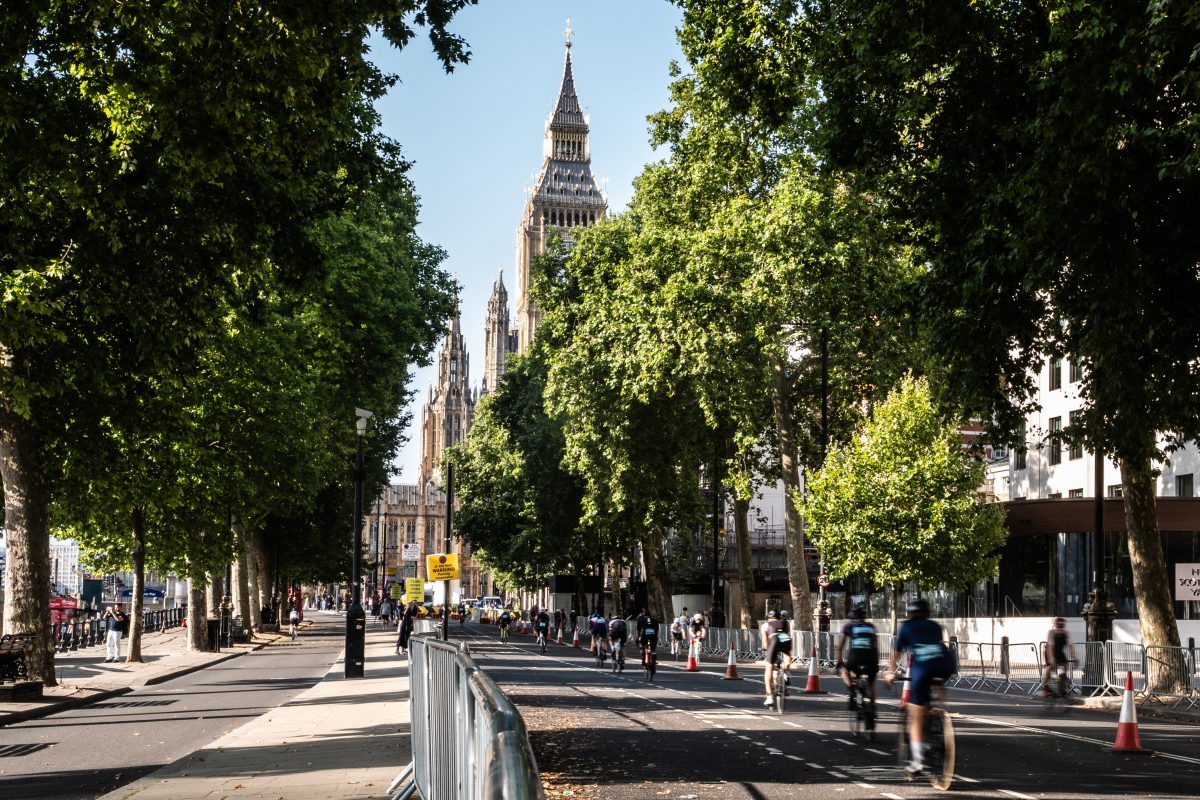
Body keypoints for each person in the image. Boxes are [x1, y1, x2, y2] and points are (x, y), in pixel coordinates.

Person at [885, 598, 953, 776]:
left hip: (923, 669)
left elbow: (896, 655)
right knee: (936, 681)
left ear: (910, 613)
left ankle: (917, 762)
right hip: (944, 665)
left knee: (915, 715)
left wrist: (890, 673)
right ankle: (942, 715)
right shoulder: (935, 626)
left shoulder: (907, 627)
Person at [837, 604, 879, 709]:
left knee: (844, 671)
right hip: (871, 658)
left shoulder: (848, 626)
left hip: (855, 657)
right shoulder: (871, 626)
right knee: (871, 684)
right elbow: (875, 645)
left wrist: (839, 662)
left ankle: (851, 689)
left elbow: (839, 647)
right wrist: (876, 661)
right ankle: (873, 709)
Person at [761, 609, 793, 706]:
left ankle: (769, 696)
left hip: (774, 640)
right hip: (785, 639)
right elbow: (787, 634)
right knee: (787, 656)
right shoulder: (785, 623)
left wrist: (767, 649)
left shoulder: (765, 625)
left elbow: (766, 644)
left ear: (768, 618)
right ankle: (785, 673)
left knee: (769, 667)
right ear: (779, 617)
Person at [1041, 616, 1076, 696]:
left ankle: (1063, 684)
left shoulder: (1066, 634)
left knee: (1065, 665)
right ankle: (1045, 686)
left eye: (1061, 626)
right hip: (1049, 651)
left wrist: (1074, 657)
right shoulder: (1051, 633)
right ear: (1055, 625)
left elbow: (1070, 647)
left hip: (1059, 651)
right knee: (1049, 667)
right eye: (1058, 626)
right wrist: (1051, 659)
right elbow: (1050, 647)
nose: (1060, 629)